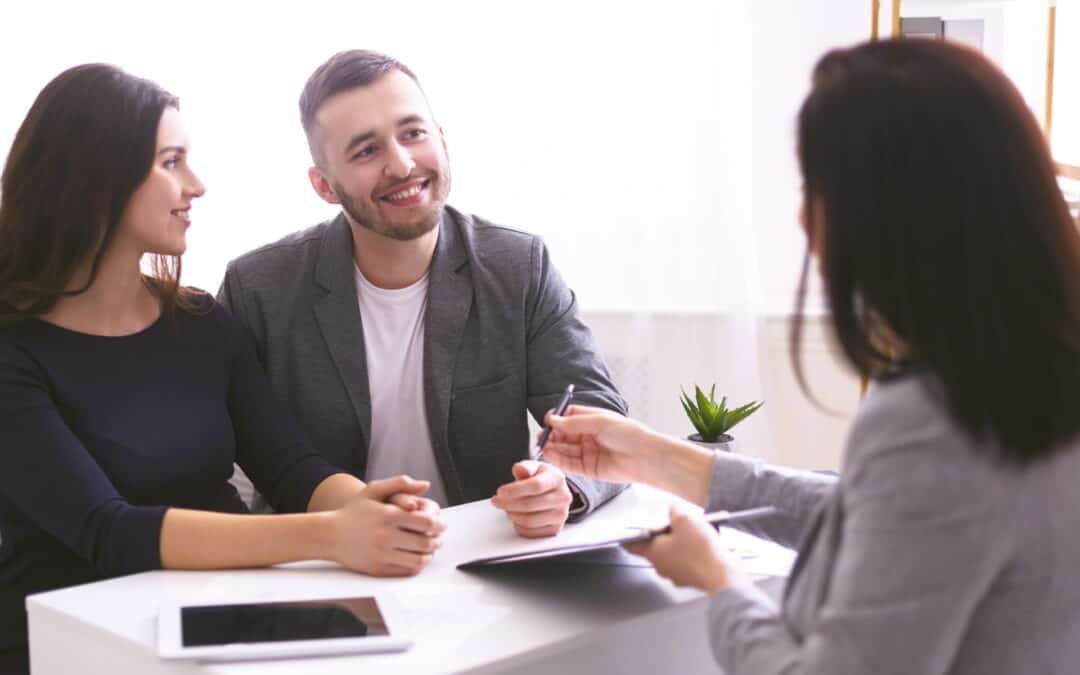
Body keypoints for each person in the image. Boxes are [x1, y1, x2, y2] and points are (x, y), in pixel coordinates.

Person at [540, 38, 1080, 675]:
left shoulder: (931, 416)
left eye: (815, 185)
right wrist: (656, 457)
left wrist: (717, 582)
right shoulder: (1029, 367)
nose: (802, 216)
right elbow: (887, 520)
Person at [0, 64, 445, 675]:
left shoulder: (200, 321)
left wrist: (372, 507)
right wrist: (328, 535)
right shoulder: (13, 351)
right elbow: (109, 531)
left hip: (219, 617)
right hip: (76, 644)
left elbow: (292, 468)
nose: (197, 185)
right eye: (172, 162)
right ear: (97, 182)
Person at [218, 49, 626, 537]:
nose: (402, 164)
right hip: (323, 573)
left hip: (479, 563)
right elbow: (222, 454)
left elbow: (599, 415)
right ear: (324, 185)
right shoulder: (258, 289)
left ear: (442, 139)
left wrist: (564, 486)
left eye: (413, 133)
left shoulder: (518, 267)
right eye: (366, 150)